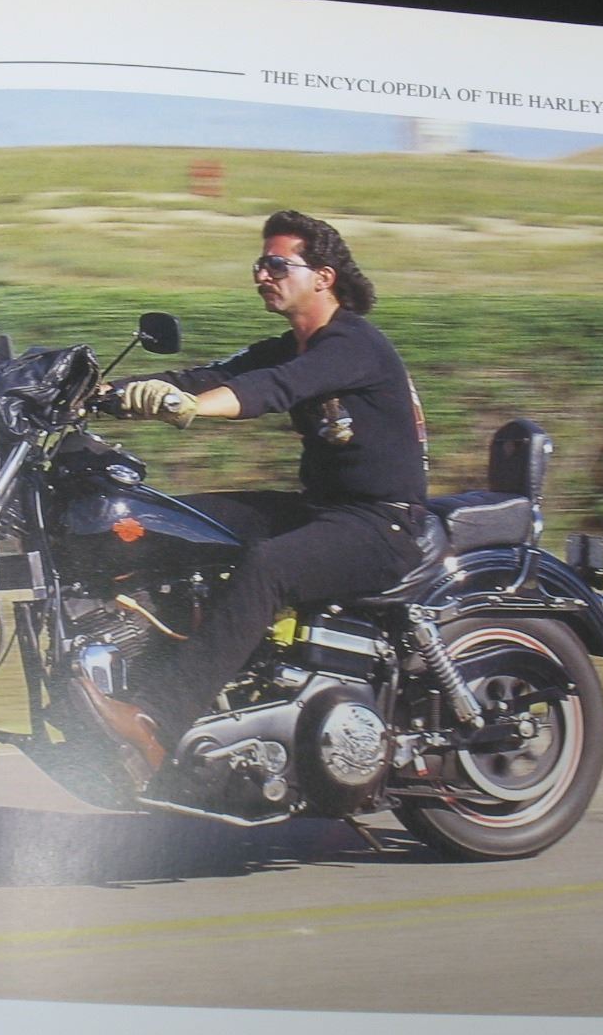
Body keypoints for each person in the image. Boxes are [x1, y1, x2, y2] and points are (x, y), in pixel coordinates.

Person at [80, 209, 428, 779]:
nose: (262, 275)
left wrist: (193, 409)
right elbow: (210, 376)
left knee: (268, 567)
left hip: (381, 525)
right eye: (259, 265)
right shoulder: (292, 345)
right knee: (176, 520)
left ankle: (156, 720)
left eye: (276, 265)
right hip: (322, 511)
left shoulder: (352, 345)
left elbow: (270, 389)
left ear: (323, 277)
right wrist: (99, 394)